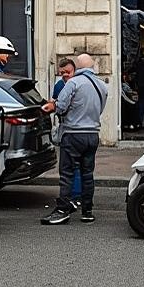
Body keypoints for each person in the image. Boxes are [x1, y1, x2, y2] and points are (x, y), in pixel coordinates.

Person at [40, 53, 107, 225]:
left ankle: (62, 210)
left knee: (67, 174)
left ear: (77, 67)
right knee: (87, 174)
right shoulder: (102, 86)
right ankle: (87, 212)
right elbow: (100, 109)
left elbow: (61, 107)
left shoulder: (73, 83)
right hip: (92, 134)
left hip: (73, 134)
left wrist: (53, 106)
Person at [50, 58, 80, 201]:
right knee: (73, 167)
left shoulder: (79, 84)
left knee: (73, 167)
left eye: (68, 72)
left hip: (73, 129)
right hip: (68, 128)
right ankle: (76, 196)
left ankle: (74, 196)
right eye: (62, 72)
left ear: (74, 70)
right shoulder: (59, 85)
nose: (65, 75)